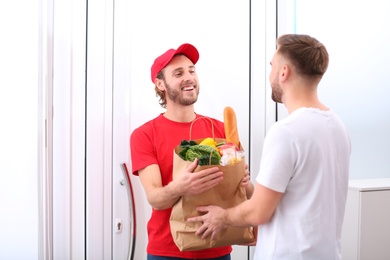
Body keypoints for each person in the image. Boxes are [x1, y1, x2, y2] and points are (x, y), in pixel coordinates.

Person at [188, 34, 351, 259]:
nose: (270, 73)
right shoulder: (337, 125)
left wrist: (221, 216)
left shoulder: (286, 132)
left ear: (283, 72)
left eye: (272, 65)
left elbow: (258, 211)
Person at [130, 43, 254, 260]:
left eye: (191, 70)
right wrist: (181, 186)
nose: (189, 77)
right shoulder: (144, 135)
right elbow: (156, 198)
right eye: (178, 73)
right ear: (160, 84)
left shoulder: (221, 129)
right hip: (167, 252)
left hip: (218, 247)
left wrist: (245, 181)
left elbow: (246, 192)